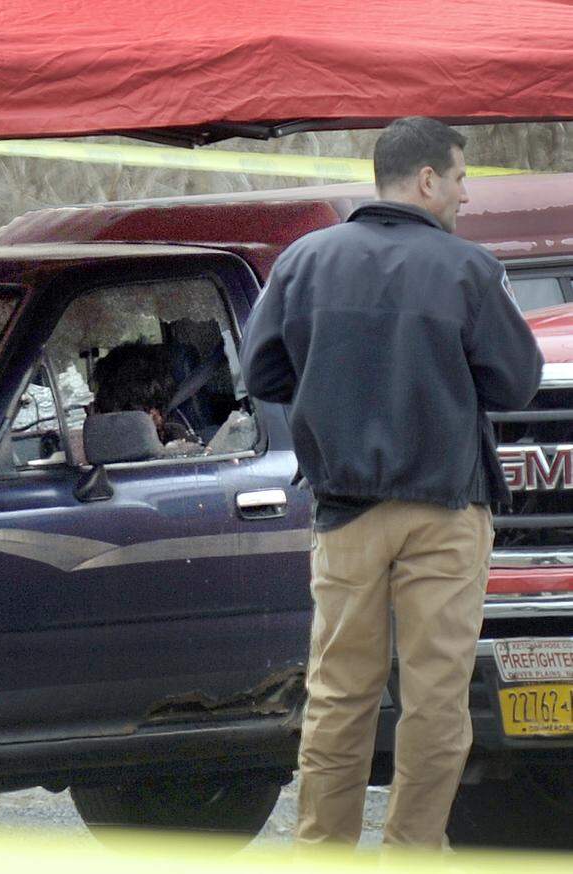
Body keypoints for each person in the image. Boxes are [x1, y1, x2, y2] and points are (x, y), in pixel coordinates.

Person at [240, 116, 542, 848]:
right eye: (463, 179)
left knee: (338, 698)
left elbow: (262, 374)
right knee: (435, 706)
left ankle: (321, 854)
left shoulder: (303, 261)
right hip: (444, 513)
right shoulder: (466, 270)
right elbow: (518, 381)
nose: (467, 196)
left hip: (343, 516)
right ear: (428, 180)